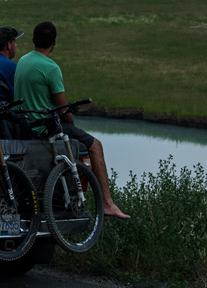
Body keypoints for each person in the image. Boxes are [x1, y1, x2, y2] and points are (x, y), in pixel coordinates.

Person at [14, 21, 130, 219]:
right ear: (54, 42)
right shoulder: (51, 68)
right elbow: (64, 110)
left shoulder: (23, 61)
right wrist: (72, 128)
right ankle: (108, 204)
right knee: (95, 145)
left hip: (23, 126)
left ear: (33, 40)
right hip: (43, 129)